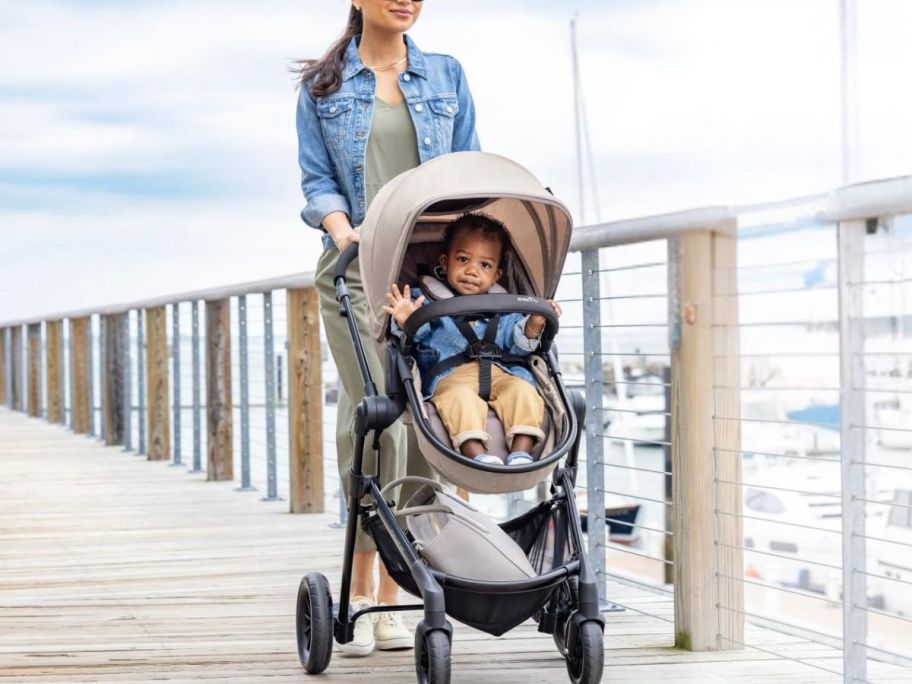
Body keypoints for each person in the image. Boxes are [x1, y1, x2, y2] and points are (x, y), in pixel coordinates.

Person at [295, 0, 480, 658]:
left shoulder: (447, 76)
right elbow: (318, 181)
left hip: (425, 274)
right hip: (354, 271)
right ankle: (364, 588)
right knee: (382, 414)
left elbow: (467, 171)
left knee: (422, 418)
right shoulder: (322, 86)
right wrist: (344, 230)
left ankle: (397, 584)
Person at [384, 213, 562, 466]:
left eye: (485, 265)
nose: (472, 271)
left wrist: (534, 323)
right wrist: (407, 319)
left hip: (504, 373)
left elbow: (518, 345)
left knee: (524, 391)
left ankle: (521, 453)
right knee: (459, 399)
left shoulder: (507, 306)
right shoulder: (422, 299)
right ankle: (477, 454)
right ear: (445, 262)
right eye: (463, 259)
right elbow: (415, 338)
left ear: (497, 274)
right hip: (451, 376)